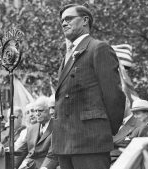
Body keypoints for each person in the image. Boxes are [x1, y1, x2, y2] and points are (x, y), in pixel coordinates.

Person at [53, 4, 125, 169]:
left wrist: (105, 130)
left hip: (91, 142)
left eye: (69, 18)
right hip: (66, 144)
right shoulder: (67, 56)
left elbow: (113, 95)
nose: (64, 23)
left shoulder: (98, 48)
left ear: (85, 20)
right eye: (62, 20)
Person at [15, 96, 58, 169]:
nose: (37, 114)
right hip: (29, 165)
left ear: (49, 110)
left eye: (40, 110)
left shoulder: (56, 127)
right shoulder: (31, 129)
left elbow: (52, 155)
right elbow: (21, 152)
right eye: (36, 111)